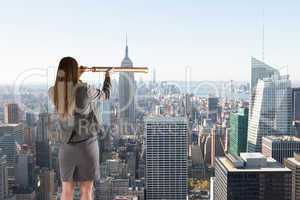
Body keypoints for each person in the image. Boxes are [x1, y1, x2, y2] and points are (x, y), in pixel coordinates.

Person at [48, 57, 112, 200]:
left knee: (66, 191)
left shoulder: (53, 92)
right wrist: (108, 76)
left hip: (66, 148)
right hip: (87, 145)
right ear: (74, 71)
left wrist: (78, 76)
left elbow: (69, 91)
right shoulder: (85, 89)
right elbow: (105, 95)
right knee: (87, 191)